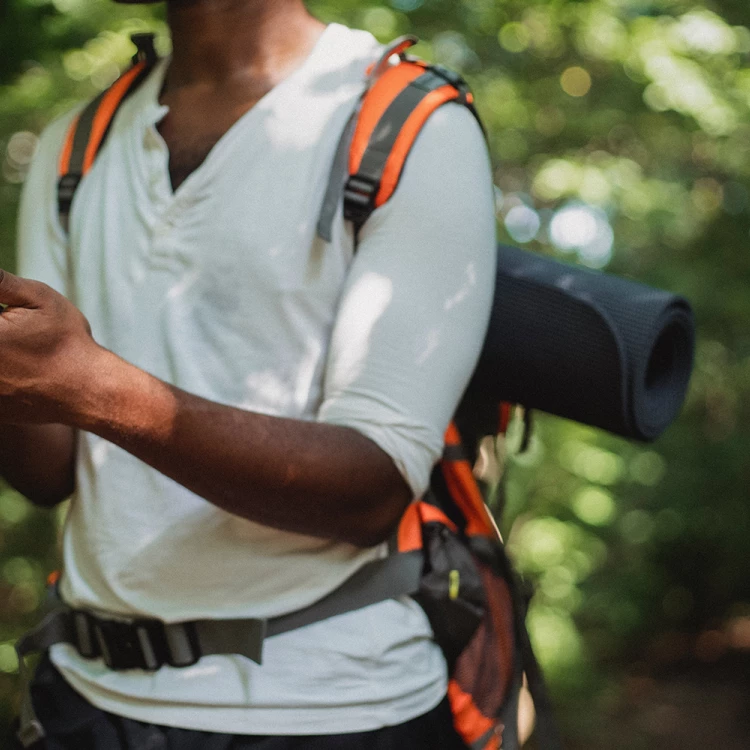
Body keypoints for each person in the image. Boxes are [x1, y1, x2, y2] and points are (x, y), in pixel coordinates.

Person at [0, 0, 496, 747]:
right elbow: (49, 472)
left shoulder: (408, 123)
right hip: (84, 698)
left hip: (333, 708)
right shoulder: (78, 142)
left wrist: (92, 386)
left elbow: (372, 489)